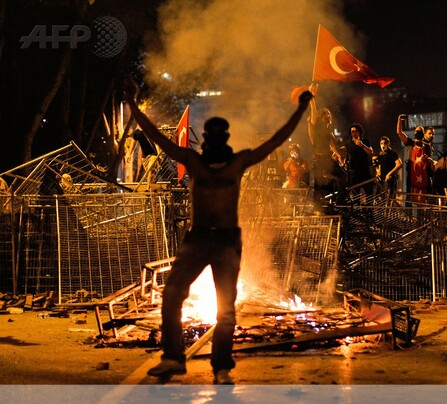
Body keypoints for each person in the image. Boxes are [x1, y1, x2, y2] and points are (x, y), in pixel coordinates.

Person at [122, 77, 313, 384]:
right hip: (198, 238)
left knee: (225, 307)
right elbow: (156, 136)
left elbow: (278, 139)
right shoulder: (194, 161)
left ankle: (221, 366)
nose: (212, 141)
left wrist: (302, 108)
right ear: (208, 141)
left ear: (223, 139)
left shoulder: (236, 163)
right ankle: (173, 358)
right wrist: (132, 103)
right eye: (210, 137)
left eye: (216, 136)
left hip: (225, 241)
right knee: (172, 294)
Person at [307, 83, 347, 211]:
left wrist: (340, 157)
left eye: (329, 114)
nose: (328, 116)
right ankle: (317, 209)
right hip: (319, 160)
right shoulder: (316, 127)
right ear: (321, 116)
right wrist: (312, 97)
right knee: (318, 186)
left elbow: (332, 146)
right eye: (326, 114)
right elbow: (313, 110)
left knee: (343, 176)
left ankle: (339, 202)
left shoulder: (329, 131)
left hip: (328, 159)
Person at [396, 115, 435, 203]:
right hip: (411, 173)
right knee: (410, 196)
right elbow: (399, 133)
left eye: (421, 131)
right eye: (417, 130)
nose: (419, 132)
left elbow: (430, 160)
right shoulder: (410, 142)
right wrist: (399, 120)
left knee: (425, 198)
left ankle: (424, 215)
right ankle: (409, 216)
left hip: (424, 175)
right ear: (414, 132)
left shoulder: (427, 146)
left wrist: (427, 160)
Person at [345, 123, 374, 201]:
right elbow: (345, 153)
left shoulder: (364, 141)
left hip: (364, 171)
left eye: (356, 131)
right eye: (352, 131)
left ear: (360, 132)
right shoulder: (348, 144)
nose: (354, 133)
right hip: (354, 172)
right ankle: (356, 210)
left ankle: (369, 210)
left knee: (369, 192)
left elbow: (371, 152)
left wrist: (362, 145)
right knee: (355, 194)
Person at [374, 136, 402, 203]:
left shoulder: (392, 153)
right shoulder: (380, 154)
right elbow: (380, 166)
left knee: (390, 200)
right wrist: (378, 173)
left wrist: (389, 174)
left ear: (388, 144)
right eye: (381, 143)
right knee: (379, 200)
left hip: (390, 180)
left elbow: (399, 164)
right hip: (381, 182)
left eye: (384, 143)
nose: (383, 145)